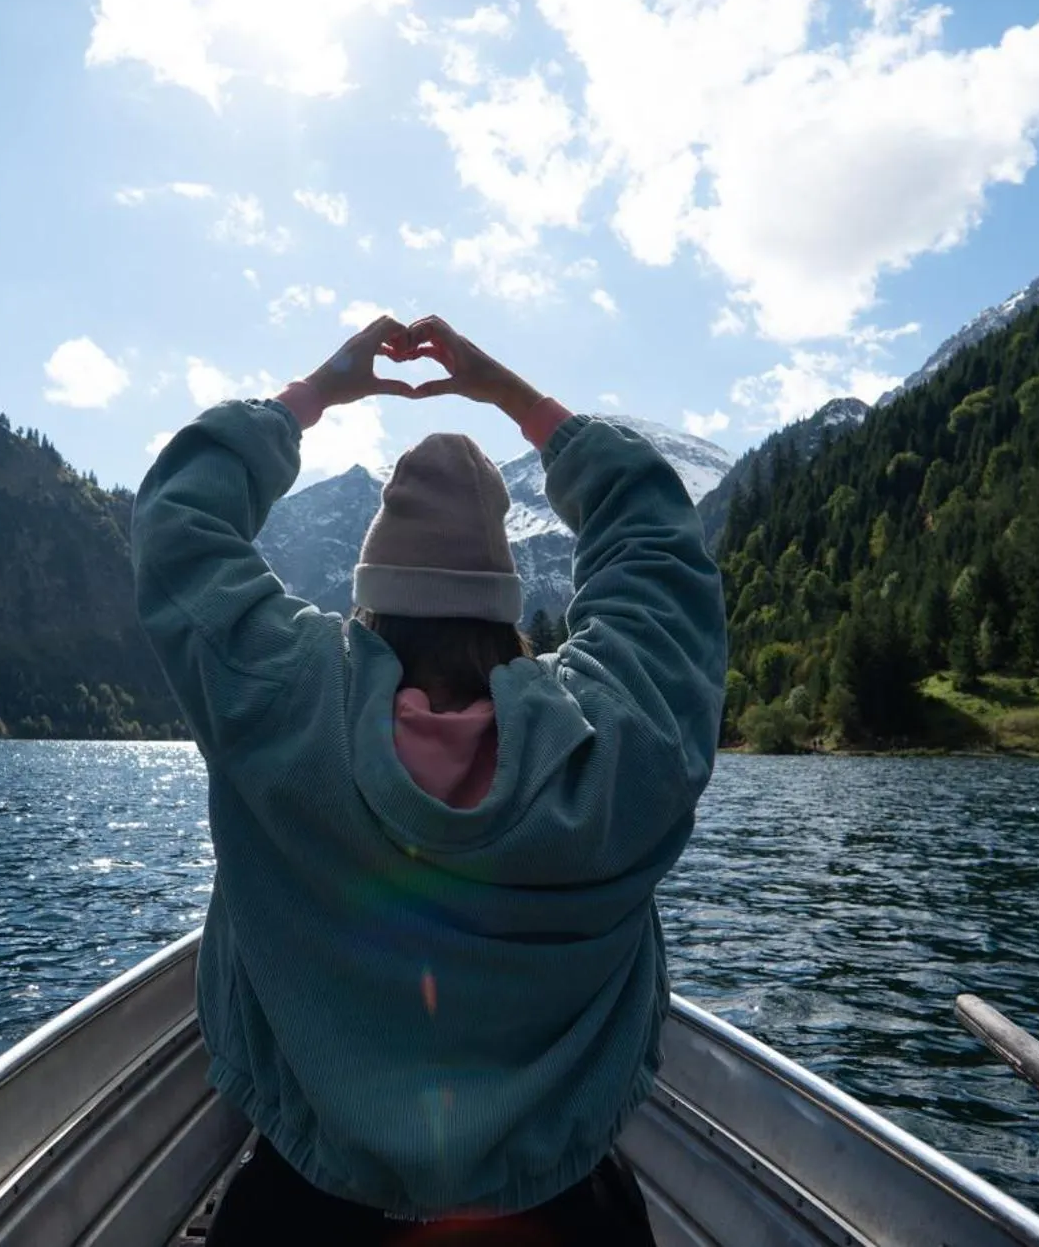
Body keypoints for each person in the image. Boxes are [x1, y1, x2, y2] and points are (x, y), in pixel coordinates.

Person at [131, 315, 726, 1244]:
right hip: (561, 1216)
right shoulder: (620, 735)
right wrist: (518, 401)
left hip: (304, 1210)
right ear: (507, 609)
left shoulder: (282, 697)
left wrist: (312, 395)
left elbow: (179, 517)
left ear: (366, 604)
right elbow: (657, 546)